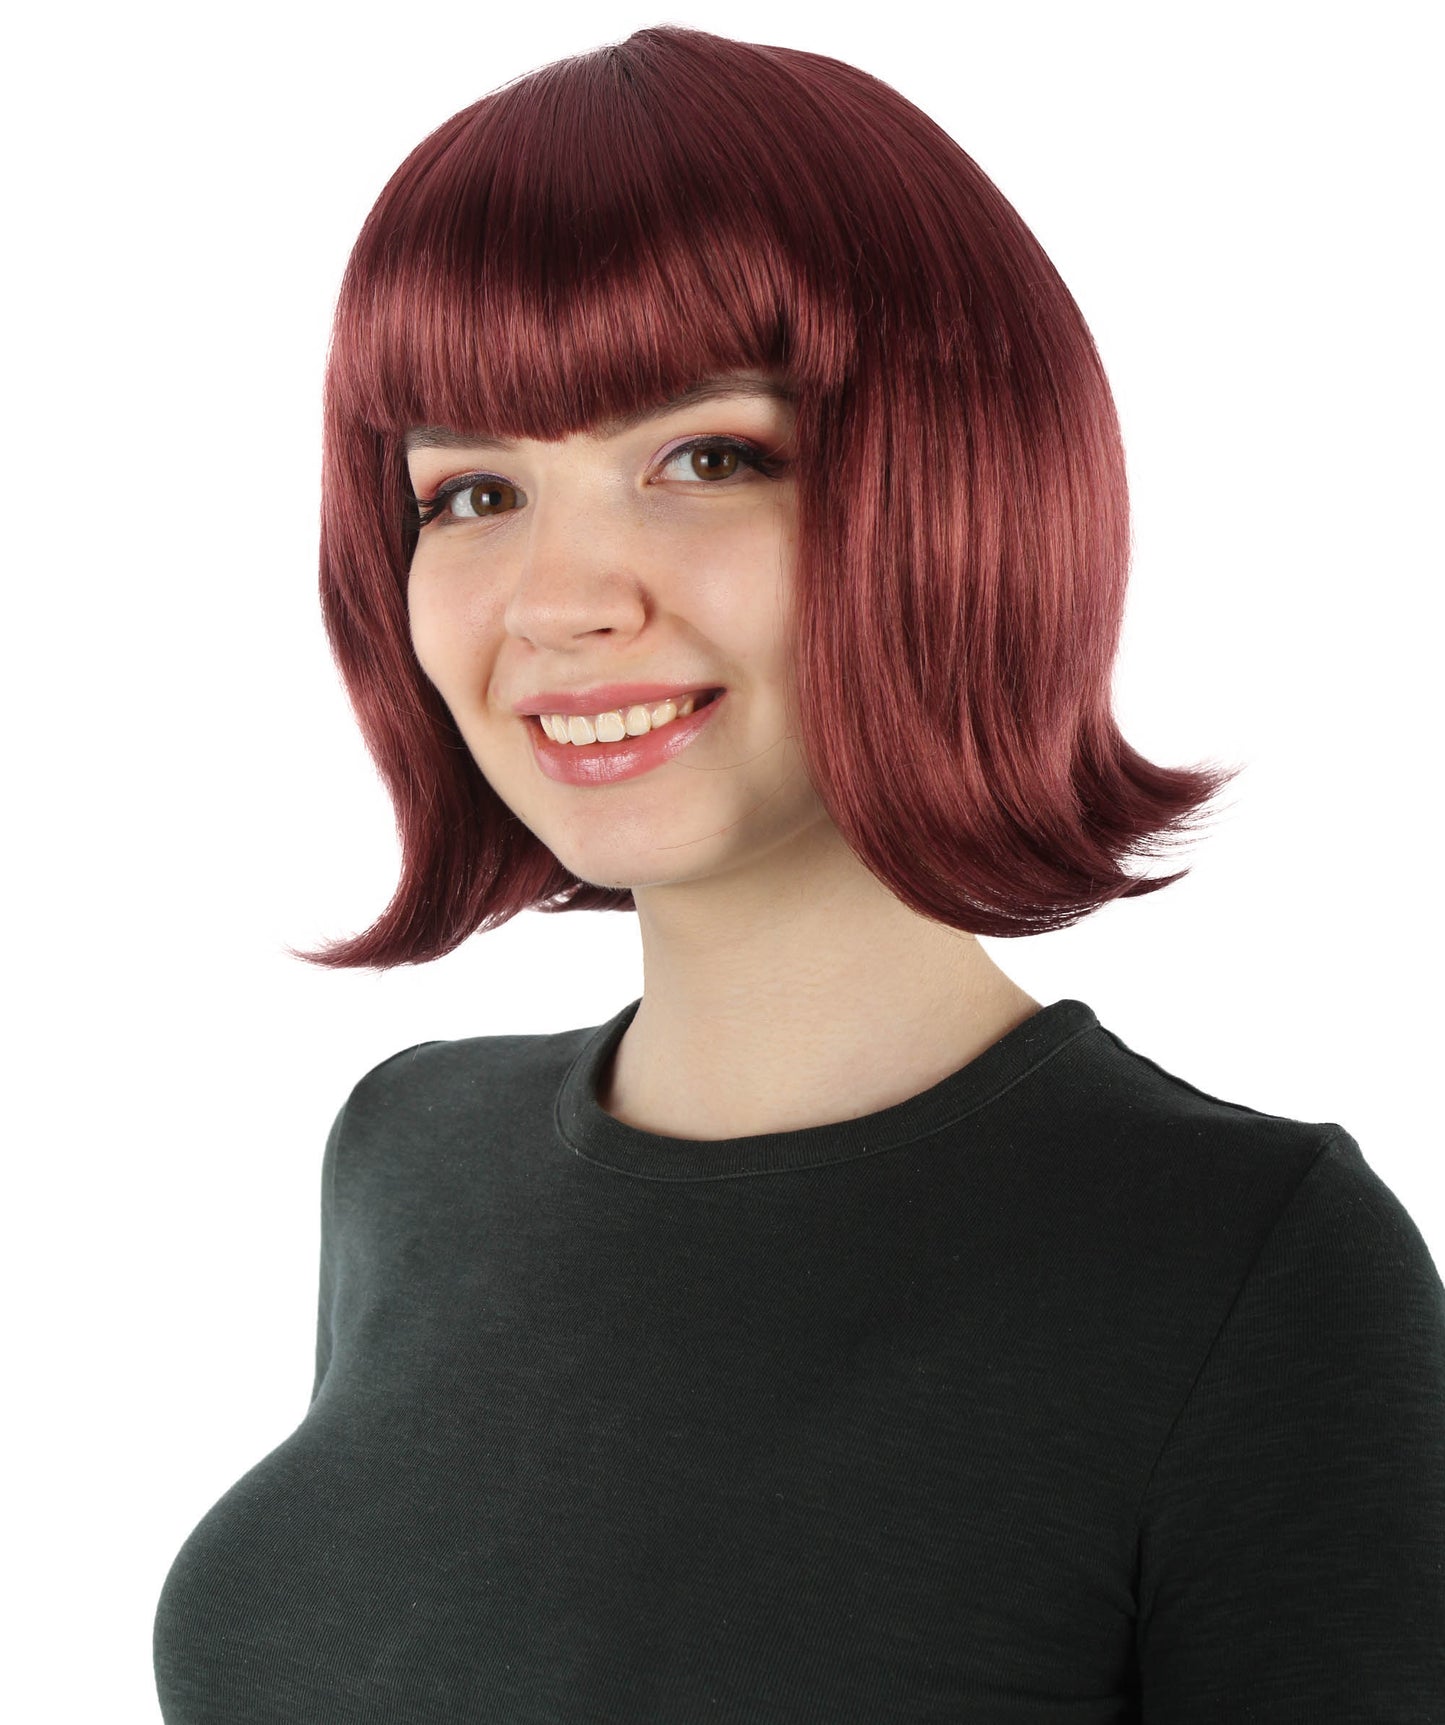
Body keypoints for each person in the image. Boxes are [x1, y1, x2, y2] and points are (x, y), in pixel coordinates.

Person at [151, 23, 1445, 1722]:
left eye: (704, 458)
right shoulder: (409, 1154)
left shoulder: (1246, 1267)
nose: (559, 598)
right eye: (470, 490)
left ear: (955, 494)